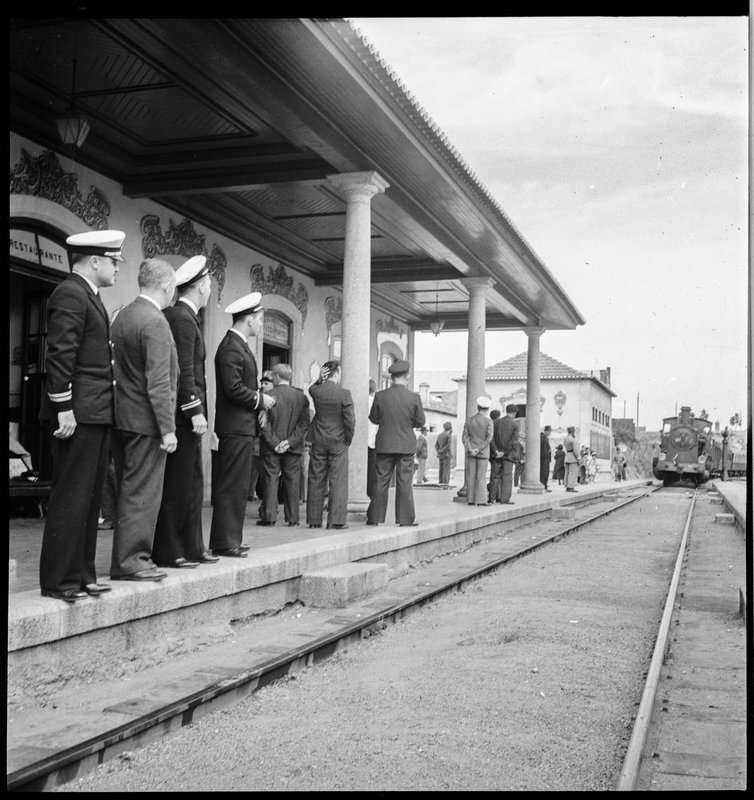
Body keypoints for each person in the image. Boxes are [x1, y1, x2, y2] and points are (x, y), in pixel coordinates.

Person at [38, 230, 126, 602]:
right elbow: (61, 355)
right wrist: (63, 408)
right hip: (78, 413)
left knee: (90, 499)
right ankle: (60, 580)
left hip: (94, 412)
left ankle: (82, 574)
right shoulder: (71, 293)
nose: (116, 268)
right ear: (95, 261)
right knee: (72, 497)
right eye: (113, 261)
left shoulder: (88, 295)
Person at [110, 258, 179, 582]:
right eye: (174, 287)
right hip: (147, 422)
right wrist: (167, 428)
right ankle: (133, 560)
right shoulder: (155, 321)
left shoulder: (124, 315)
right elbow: (159, 381)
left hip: (123, 417)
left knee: (128, 489)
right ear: (166, 286)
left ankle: (125, 558)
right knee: (143, 493)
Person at [152, 256, 218, 569]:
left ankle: (192, 546)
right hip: (182, 416)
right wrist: (194, 409)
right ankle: (168, 549)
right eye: (208, 284)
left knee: (192, 483)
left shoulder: (186, 317)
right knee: (178, 485)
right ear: (201, 286)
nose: (210, 288)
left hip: (187, 416)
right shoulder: (181, 318)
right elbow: (183, 370)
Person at [209, 292, 275, 557]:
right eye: (259, 320)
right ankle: (225, 542)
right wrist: (260, 400)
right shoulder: (231, 348)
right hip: (234, 427)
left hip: (240, 426)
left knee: (237, 486)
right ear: (248, 320)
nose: (260, 325)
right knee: (231, 485)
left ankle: (230, 538)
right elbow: (233, 388)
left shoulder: (238, 346)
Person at [366, 360, 426, 527]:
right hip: (405, 444)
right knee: (404, 482)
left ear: (391, 377)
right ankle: (405, 519)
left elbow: (373, 418)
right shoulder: (414, 397)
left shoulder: (380, 396)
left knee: (380, 481)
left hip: (384, 443)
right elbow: (420, 421)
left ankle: (374, 517)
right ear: (406, 376)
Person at [258, 363, 310, 527]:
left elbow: (263, 423)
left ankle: (269, 516)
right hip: (293, 447)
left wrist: (275, 442)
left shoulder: (268, 395)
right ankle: (293, 518)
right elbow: (304, 423)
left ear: (276, 376)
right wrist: (290, 442)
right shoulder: (301, 397)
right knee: (293, 481)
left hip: (271, 446)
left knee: (270, 480)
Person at [306, 360, 355, 529]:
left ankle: (314, 520)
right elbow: (350, 420)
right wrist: (347, 439)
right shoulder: (344, 393)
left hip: (318, 439)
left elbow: (312, 387)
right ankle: (336, 520)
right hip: (338, 441)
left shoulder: (316, 391)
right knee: (338, 481)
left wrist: (320, 379)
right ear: (338, 372)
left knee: (316, 479)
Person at [462, 396, 493, 505]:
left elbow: (464, 438)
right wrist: (478, 449)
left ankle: (470, 500)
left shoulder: (469, 420)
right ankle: (481, 500)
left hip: (470, 452)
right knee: (481, 476)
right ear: (487, 409)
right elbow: (489, 438)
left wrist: (470, 449)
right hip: (483, 452)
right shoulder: (488, 421)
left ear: (477, 407)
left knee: (471, 476)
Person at [489, 403, 519, 505]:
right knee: (506, 476)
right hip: (508, 456)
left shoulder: (496, 422)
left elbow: (491, 438)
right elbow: (514, 441)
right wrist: (504, 452)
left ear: (506, 411)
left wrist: (496, 451)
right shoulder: (515, 424)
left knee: (494, 476)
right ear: (514, 413)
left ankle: (491, 498)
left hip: (496, 455)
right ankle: (504, 499)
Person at [366, 379, 378, 499]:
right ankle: (370, 494)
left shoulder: (359, 401)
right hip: (372, 442)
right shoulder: (376, 402)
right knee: (371, 472)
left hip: (359, 441)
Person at [487, 409, 501, 501]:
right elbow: (491, 439)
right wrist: (496, 451)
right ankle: (494, 497)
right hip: (497, 453)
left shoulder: (489, 424)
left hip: (492, 453)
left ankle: (494, 496)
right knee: (496, 476)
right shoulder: (497, 425)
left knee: (495, 476)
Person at [435, 421, 453, 487]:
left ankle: (440, 481)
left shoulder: (440, 435)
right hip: (446, 454)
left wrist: (439, 451)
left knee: (441, 468)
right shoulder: (449, 435)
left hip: (440, 455)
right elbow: (448, 445)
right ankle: (445, 483)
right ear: (450, 428)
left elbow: (436, 445)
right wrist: (442, 451)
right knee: (446, 469)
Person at [563, 425, 580, 492]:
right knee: (572, 472)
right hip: (572, 457)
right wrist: (578, 458)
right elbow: (575, 450)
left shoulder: (565, 439)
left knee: (567, 472)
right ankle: (571, 487)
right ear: (573, 432)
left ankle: (567, 485)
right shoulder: (573, 440)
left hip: (567, 456)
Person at [540, 425, 553, 492]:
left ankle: (544, 485)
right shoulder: (542, 437)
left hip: (546, 459)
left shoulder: (544, 437)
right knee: (544, 473)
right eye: (550, 431)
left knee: (545, 473)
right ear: (547, 431)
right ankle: (543, 486)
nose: (550, 433)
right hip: (544, 459)